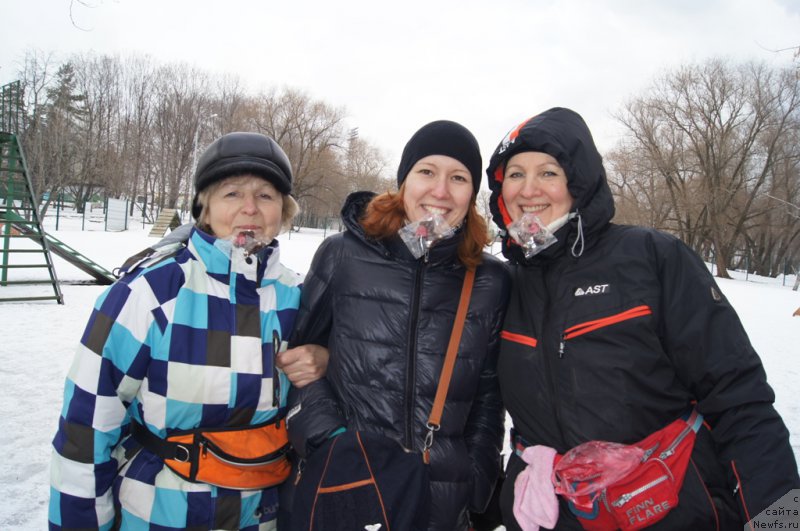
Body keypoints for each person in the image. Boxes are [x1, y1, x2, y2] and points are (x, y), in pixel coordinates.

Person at [486, 107, 800, 529]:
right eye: (516, 174)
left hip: (674, 507)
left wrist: (780, 520)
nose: (528, 189)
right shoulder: (506, 284)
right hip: (557, 516)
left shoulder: (652, 257)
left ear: (579, 180)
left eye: (548, 172)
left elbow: (738, 397)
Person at [49, 132, 326, 530]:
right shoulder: (148, 294)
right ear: (205, 207)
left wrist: (325, 361)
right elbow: (85, 430)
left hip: (262, 519)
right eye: (231, 193)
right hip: (158, 516)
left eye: (265, 196)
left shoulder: (297, 297)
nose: (249, 208)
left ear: (284, 210)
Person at [282, 120, 511, 530]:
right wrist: (327, 441)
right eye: (426, 172)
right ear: (403, 182)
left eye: (458, 178)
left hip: (439, 503)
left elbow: (489, 393)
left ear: (471, 194)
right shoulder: (342, 255)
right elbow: (297, 359)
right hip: (347, 487)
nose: (440, 191)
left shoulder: (490, 280)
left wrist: (474, 480)